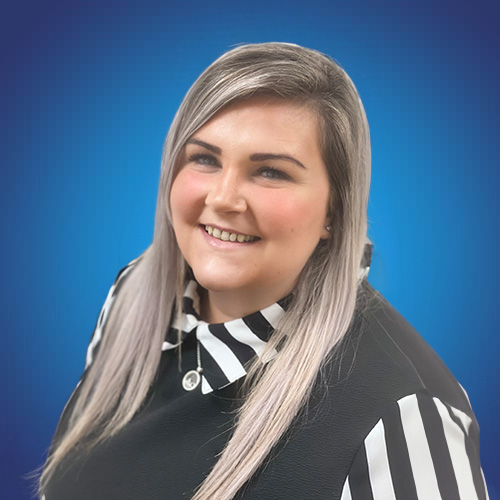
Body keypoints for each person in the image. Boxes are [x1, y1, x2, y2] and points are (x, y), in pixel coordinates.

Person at [39, 43, 488, 500]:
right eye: (205, 158)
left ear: (335, 211)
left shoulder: (405, 416)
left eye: (270, 171)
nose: (223, 198)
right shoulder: (131, 295)